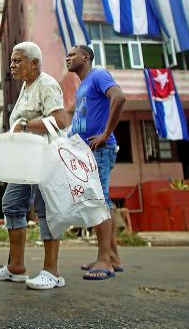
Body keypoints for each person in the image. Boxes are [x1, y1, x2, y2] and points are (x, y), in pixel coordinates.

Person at [0, 41, 67, 290]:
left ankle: (51, 271)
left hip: (46, 158)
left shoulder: (47, 84)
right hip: (24, 160)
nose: (12, 65)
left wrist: (25, 126)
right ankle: (16, 267)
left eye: (17, 60)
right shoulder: (25, 86)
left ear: (34, 63)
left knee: (46, 210)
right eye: (11, 60)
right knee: (11, 203)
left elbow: (61, 119)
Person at [66, 44, 126, 280]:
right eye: (67, 55)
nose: (67, 58)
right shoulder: (83, 85)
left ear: (86, 56)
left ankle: (104, 262)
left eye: (72, 54)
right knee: (103, 202)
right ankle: (112, 257)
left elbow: (119, 98)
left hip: (100, 148)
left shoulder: (98, 75)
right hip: (87, 151)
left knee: (98, 202)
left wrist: (105, 133)